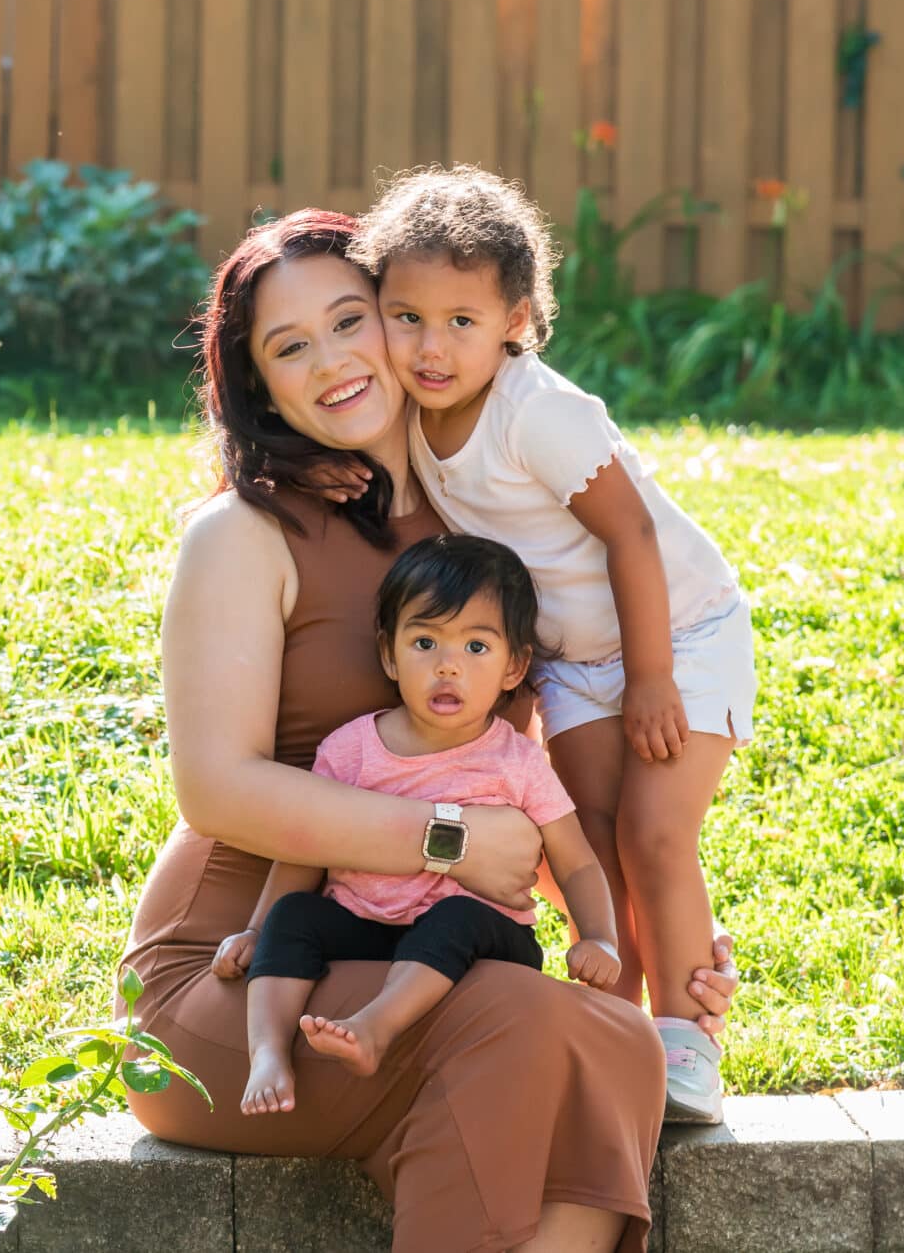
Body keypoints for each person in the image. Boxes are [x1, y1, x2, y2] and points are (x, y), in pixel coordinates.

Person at [119, 208, 737, 1253]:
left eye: (350, 321)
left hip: (414, 959)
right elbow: (216, 790)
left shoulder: (482, 532)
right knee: (518, 1019)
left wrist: (647, 939)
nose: (331, 363)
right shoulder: (240, 535)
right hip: (239, 972)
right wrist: (441, 837)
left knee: (616, 1043)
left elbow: (517, 797)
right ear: (257, 383)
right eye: (287, 346)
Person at [344, 165, 757, 1123]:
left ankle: (691, 1044)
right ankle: (616, 1029)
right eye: (405, 317)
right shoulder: (409, 419)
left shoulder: (541, 413)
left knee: (659, 832)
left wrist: (652, 678)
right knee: (594, 845)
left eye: (461, 322)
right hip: (572, 660)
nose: (431, 347)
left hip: (680, 633)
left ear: (516, 320)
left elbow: (633, 533)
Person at [214, 533, 622, 1117]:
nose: (448, 664)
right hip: (367, 925)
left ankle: (375, 1028)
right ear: (389, 655)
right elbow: (305, 850)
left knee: (452, 916)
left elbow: (575, 858)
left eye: (477, 647)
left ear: (515, 667)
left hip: (483, 937)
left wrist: (597, 936)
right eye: (425, 641)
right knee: (295, 916)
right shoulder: (351, 750)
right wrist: (257, 930)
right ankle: (268, 1053)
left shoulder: (518, 763)